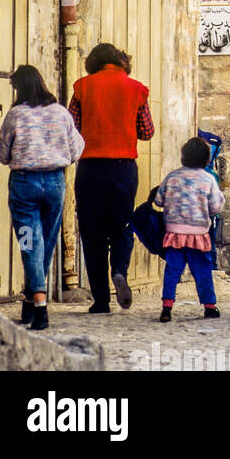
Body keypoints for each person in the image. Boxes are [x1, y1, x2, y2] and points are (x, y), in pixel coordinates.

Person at [0, 64, 84, 330]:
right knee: (46, 242)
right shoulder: (60, 113)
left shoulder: (16, 115)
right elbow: (77, 148)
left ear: (19, 88)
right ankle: (31, 301)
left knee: (30, 243)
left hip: (24, 186)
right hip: (55, 183)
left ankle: (40, 307)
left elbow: (1, 151)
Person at [69, 43, 154, 313]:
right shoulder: (136, 89)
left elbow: (72, 127)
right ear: (122, 63)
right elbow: (147, 131)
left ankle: (101, 301)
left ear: (93, 62)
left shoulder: (82, 87)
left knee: (92, 233)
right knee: (121, 226)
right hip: (123, 167)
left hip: (90, 168)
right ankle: (119, 270)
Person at [153, 137, 224, 322]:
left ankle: (167, 307)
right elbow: (215, 207)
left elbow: (158, 201)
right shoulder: (208, 180)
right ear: (207, 159)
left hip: (174, 233)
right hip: (198, 234)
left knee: (172, 270)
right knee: (203, 271)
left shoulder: (172, 177)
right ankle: (209, 306)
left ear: (183, 157)